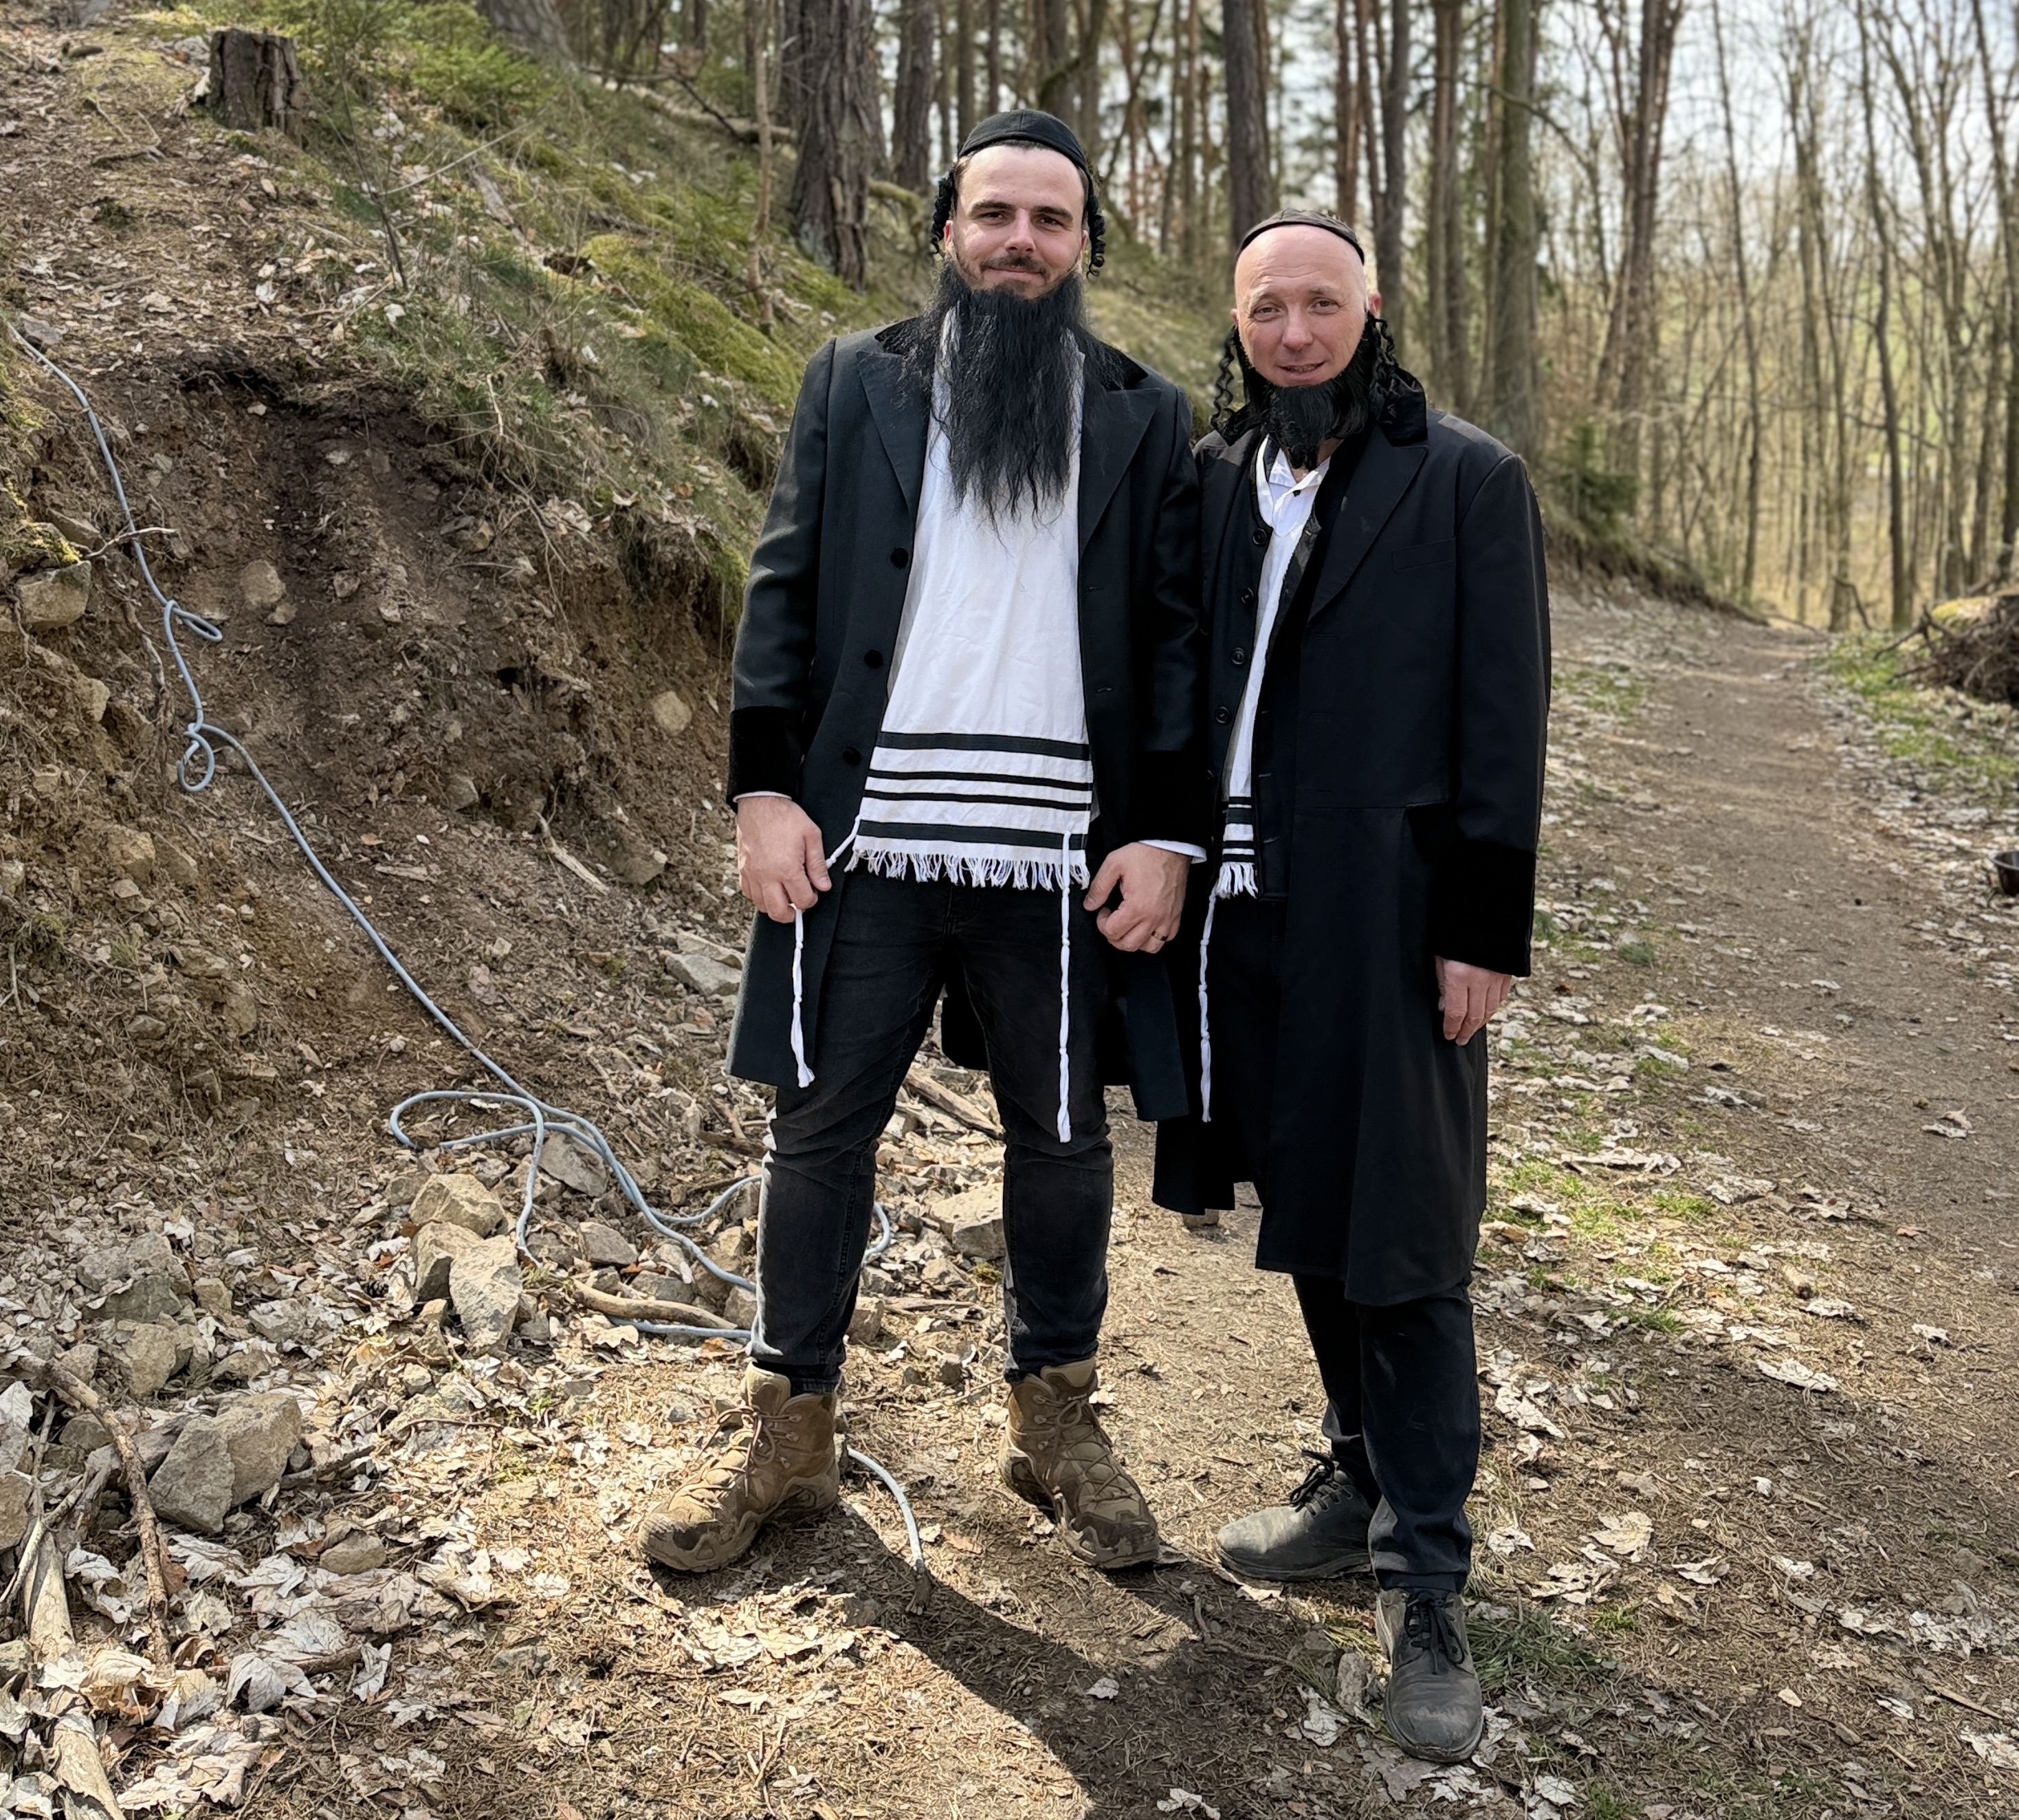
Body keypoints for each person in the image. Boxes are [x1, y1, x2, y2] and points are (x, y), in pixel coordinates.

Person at [639, 110, 1206, 1577]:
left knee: (1064, 1139)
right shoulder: (857, 379)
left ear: (1084, 246)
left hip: (1059, 855)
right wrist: (763, 794)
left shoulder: (1144, 415)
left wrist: (1165, 835)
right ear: (949, 231)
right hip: (865, 841)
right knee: (820, 1130)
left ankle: (1055, 1424)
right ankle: (791, 1432)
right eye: (994, 214)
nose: (1021, 241)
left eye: (1051, 220)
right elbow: (783, 588)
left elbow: (1174, 641)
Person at [1154, 212, 1548, 1764]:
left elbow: (1504, 719)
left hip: (1392, 913)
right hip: (1243, 913)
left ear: (1372, 312)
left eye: (1323, 303)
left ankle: (1428, 1584)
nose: (1297, 331)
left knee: (1406, 1237)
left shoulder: (1465, 481)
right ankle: (1359, 1480)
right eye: (1269, 306)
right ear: (1239, 322)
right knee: (1310, 1201)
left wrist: (1482, 930)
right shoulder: (1211, 476)